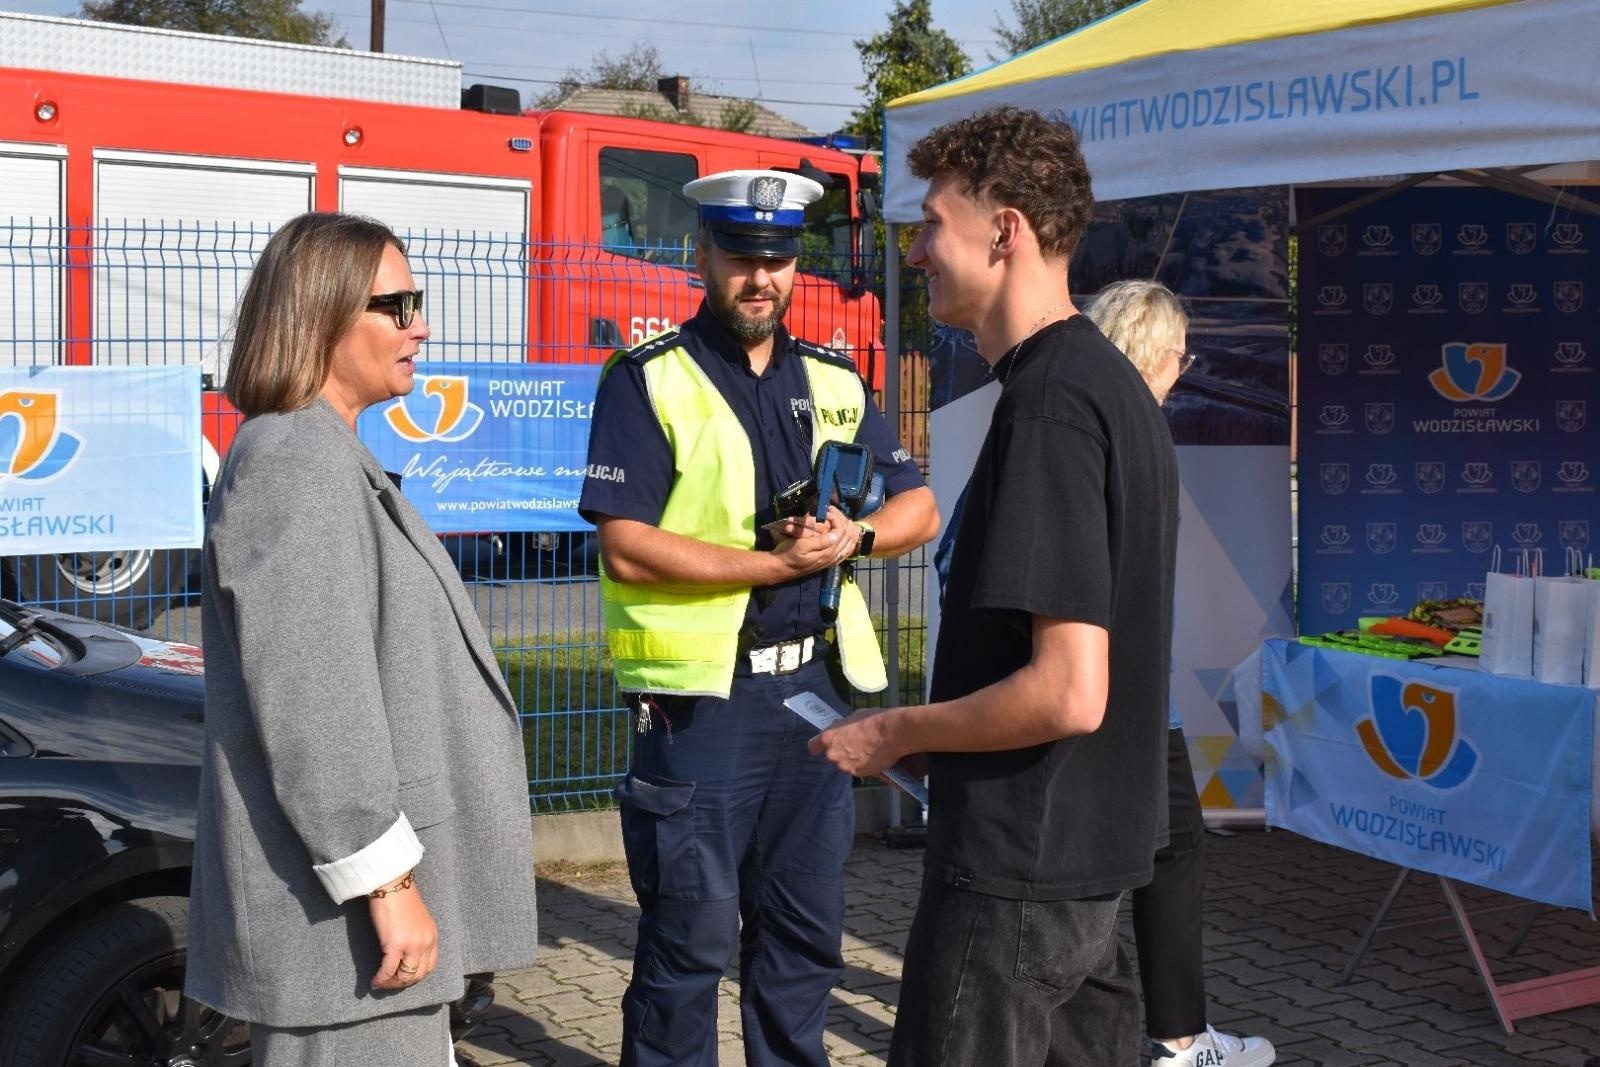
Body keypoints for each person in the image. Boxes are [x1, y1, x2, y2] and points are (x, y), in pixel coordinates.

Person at [810, 106, 1178, 1066]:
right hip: (1079, 866)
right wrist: (948, 741)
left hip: (1021, 875)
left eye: (933, 223)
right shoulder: (1108, 388)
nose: (919, 249)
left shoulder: (1053, 405)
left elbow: (1069, 687)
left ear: (1004, 230)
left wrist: (897, 730)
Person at [581, 168, 938, 1067]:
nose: (760, 279)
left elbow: (919, 507)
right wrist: (771, 564)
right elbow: (625, 544)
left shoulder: (834, 378)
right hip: (703, 706)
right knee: (688, 949)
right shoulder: (644, 381)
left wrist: (851, 535)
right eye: (741, 257)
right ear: (701, 256)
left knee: (802, 942)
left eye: (777, 260)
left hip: (815, 698)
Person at [186, 212, 539, 1066]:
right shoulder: (296, 462)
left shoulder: (322, 452)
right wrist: (387, 884)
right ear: (321, 314)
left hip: (356, 940)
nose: (421, 324)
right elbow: (314, 701)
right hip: (344, 943)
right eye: (398, 303)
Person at [1087, 280, 1276, 1067]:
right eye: (1179, 353)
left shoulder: (1080, 416)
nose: (1185, 366)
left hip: (1100, 687)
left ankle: (1151, 1032)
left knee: (1143, 852)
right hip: (1119, 691)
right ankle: (1176, 1039)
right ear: (1155, 353)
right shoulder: (1128, 432)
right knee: (1163, 853)